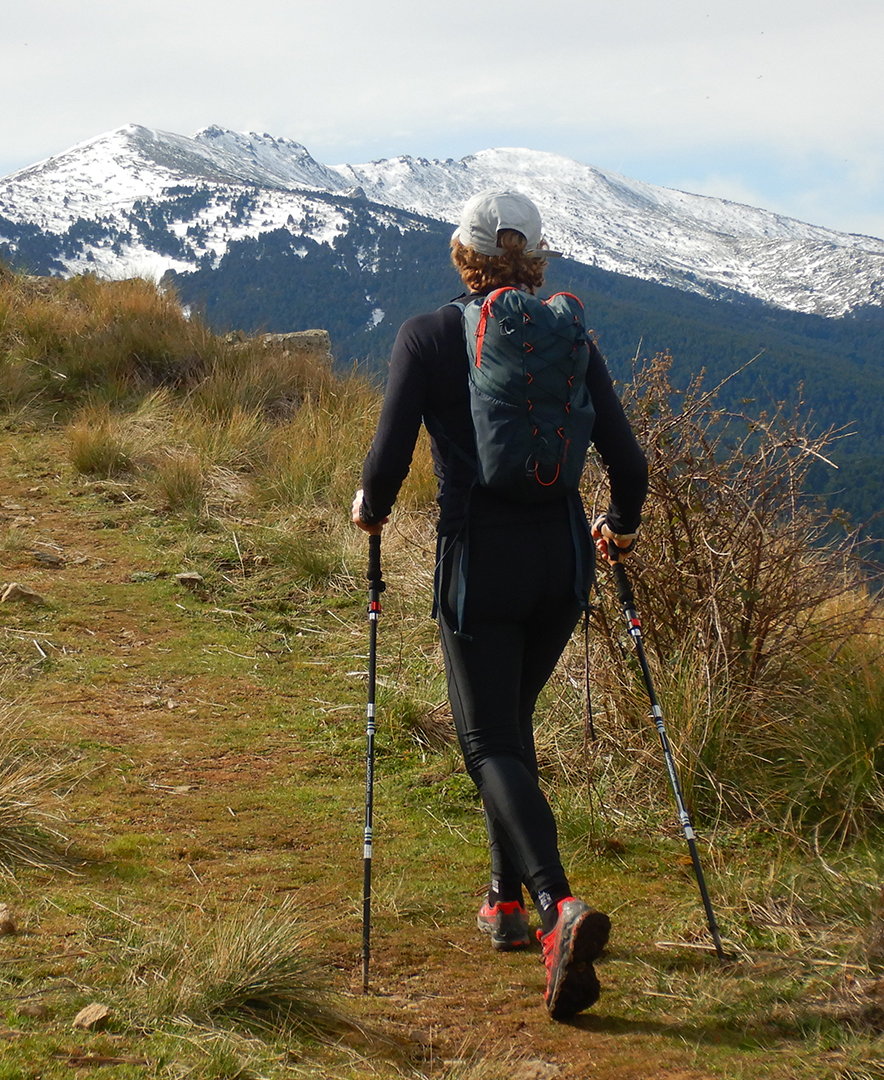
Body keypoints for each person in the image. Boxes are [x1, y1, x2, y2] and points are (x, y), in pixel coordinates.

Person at [351, 189, 648, 1020]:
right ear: (535, 258)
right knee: (511, 733)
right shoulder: (567, 338)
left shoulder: (431, 335)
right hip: (560, 567)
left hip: (480, 563)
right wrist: (617, 530)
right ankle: (505, 905)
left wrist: (369, 510)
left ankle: (558, 910)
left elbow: (385, 461)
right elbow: (629, 464)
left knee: (486, 743)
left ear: (464, 253)